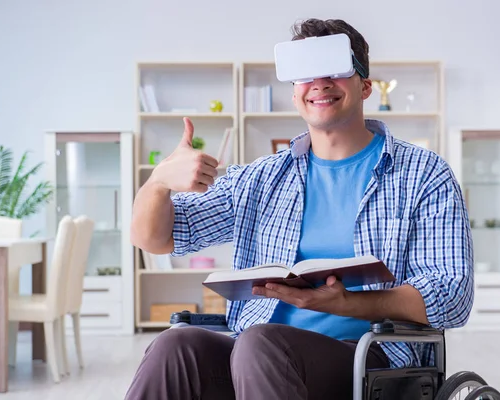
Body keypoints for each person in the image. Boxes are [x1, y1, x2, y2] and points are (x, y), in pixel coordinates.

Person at [125, 18, 474, 400]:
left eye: (336, 70)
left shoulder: (424, 174)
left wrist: (349, 303)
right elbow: (155, 238)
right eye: (305, 74)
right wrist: (158, 183)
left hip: (371, 363)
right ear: (295, 95)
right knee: (175, 348)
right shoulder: (261, 179)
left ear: (366, 86)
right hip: (257, 359)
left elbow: (452, 295)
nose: (320, 83)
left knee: (263, 344)